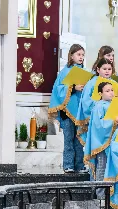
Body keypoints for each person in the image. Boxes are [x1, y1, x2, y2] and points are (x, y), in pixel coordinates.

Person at [48, 44, 86, 173]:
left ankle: (80, 165)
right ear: (71, 55)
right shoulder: (65, 71)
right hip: (67, 111)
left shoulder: (84, 72)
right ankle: (68, 165)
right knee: (69, 138)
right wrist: (73, 87)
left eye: (82, 55)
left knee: (79, 139)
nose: (81, 57)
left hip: (80, 110)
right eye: (78, 54)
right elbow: (58, 89)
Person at [84, 82, 118, 199]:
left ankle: (111, 197)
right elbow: (99, 126)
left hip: (113, 143)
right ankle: (100, 196)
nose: (111, 92)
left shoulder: (114, 104)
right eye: (107, 91)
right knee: (102, 168)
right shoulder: (99, 106)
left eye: (112, 90)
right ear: (100, 93)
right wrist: (113, 121)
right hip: (102, 144)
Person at [76, 58, 114, 144]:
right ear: (98, 69)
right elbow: (86, 102)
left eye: (109, 69)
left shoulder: (113, 83)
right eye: (104, 69)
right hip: (96, 120)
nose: (107, 71)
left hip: (110, 121)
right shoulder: (92, 83)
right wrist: (100, 104)